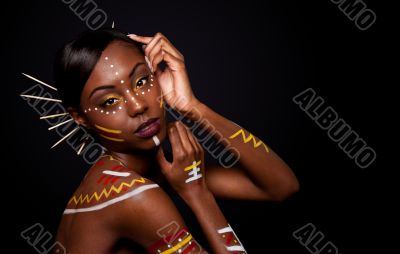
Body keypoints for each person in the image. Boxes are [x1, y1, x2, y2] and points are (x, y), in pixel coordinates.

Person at [53, 28, 299, 253]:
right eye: (109, 101)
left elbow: (280, 186)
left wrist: (191, 106)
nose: (138, 105)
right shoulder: (132, 195)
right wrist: (198, 194)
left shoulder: (137, 175)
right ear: (80, 117)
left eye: (141, 81)